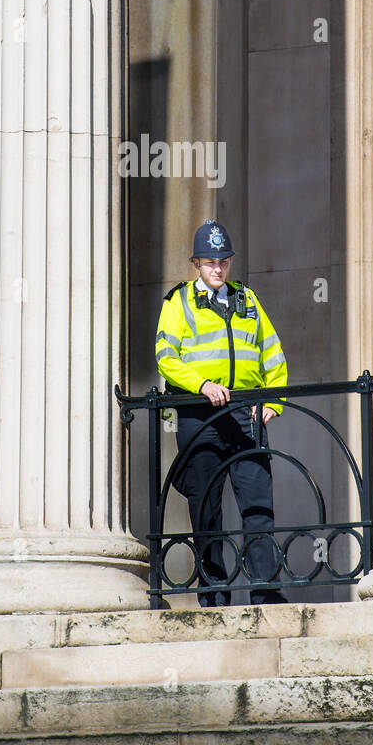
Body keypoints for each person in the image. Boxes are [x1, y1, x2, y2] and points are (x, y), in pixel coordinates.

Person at [154, 219, 289, 606]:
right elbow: (166, 356)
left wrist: (273, 402)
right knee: (207, 506)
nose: (218, 268)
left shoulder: (248, 299)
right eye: (211, 262)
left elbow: (274, 356)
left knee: (258, 505)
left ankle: (266, 591)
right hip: (200, 413)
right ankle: (214, 592)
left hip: (247, 413)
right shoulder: (177, 303)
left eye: (224, 261)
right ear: (196, 262)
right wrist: (202, 385)